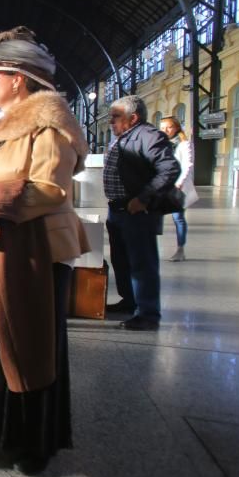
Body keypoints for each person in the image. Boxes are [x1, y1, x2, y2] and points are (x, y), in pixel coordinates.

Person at [0, 26, 89, 476]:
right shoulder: (3, 135)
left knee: (32, 345)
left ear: (18, 78)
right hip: (6, 251)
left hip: (37, 256)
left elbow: (48, 190)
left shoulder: (49, 126)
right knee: (3, 338)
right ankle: (8, 428)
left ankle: (36, 441)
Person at [104, 95, 181, 331]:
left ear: (133, 117)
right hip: (117, 209)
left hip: (136, 211)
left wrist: (143, 198)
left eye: (115, 117)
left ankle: (147, 314)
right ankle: (130, 302)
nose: (111, 122)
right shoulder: (124, 137)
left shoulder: (148, 136)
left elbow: (169, 169)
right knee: (122, 261)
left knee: (142, 264)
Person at [159, 116, 198, 261]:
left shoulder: (184, 144)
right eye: (162, 128)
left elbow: (188, 164)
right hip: (162, 186)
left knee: (178, 218)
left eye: (168, 127)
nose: (165, 130)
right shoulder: (162, 144)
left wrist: (180, 182)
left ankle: (180, 250)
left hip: (177, 187)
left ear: (176, 127)